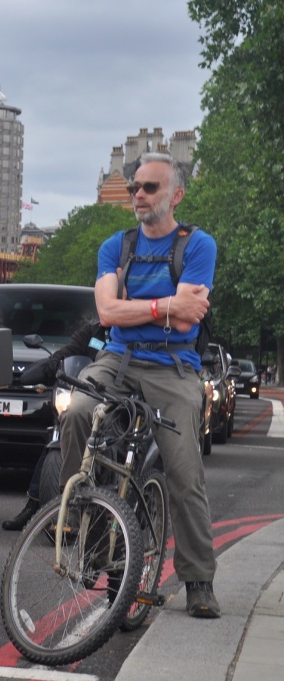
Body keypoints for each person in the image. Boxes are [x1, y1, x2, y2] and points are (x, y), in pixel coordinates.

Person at [57, 151, 220, 618]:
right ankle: (75, 524)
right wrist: (164, 307)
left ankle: (198, 580)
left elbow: (190, 314)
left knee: (185, 472)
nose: (138, 196)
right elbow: (108, 313)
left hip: (173, 365)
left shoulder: (197, 246)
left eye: (149, 188)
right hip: (118, 358)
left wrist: (139, 307)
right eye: (134, 188)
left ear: (176, 195)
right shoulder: (117, 246)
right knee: (79, 408)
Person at [2, 317, 109, 530]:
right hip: (82, 395)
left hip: (111, 400)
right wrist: (50, 366)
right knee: (59, 438)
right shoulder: (92, 330)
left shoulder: (129, 335)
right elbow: (68, 352)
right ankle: (34, 505)